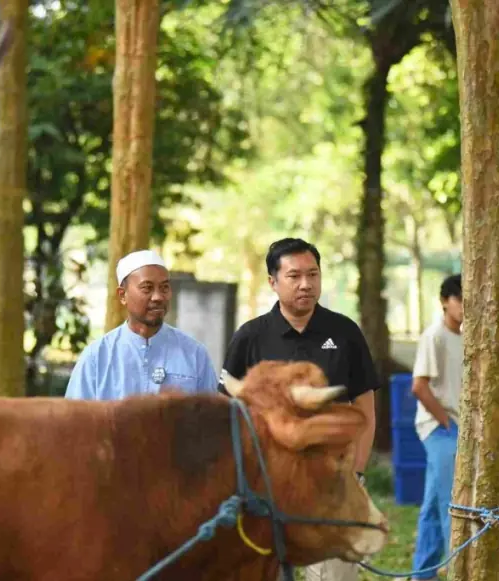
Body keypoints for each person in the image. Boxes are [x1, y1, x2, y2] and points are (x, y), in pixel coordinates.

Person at [220, 237, 379, 581]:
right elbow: (228, 411)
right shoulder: (250, 338)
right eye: (294, 276)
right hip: (267, 488)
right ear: (273, 282)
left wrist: (358, 470)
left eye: (313, 274)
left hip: (331, 481)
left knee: (335, 576)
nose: (306, 284)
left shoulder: (345, 332)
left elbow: (364, 402)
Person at [64, 249, 218, 401]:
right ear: (123, 295)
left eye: (164, 288)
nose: (158, 297)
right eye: (147, 288)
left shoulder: (195, 355)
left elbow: (211, 419)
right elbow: (74, 419)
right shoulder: (97, 357)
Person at [409, 273, 463, 581]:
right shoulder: (435, 336)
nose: (465, 307)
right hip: (440, 428)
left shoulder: (465, 336)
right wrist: (444, 421)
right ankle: (460, 570)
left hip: (457, 427)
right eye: (459, 300)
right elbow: (419, 386)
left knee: (432, 507)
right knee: (450, 504)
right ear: (445, 301)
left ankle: (422, 576)